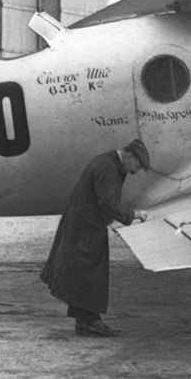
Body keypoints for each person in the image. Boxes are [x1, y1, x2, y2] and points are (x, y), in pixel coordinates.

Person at [41, 138, 151, 337]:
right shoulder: (108, 168)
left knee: (83, 275)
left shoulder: (107, 162)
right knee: (90, 275)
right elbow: (107, 202)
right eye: (138, 165)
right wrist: (132, 215)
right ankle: (90, 322)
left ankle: (85, 322)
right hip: (86, 227)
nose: (136, 172)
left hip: (85, 224)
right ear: (129, 156)